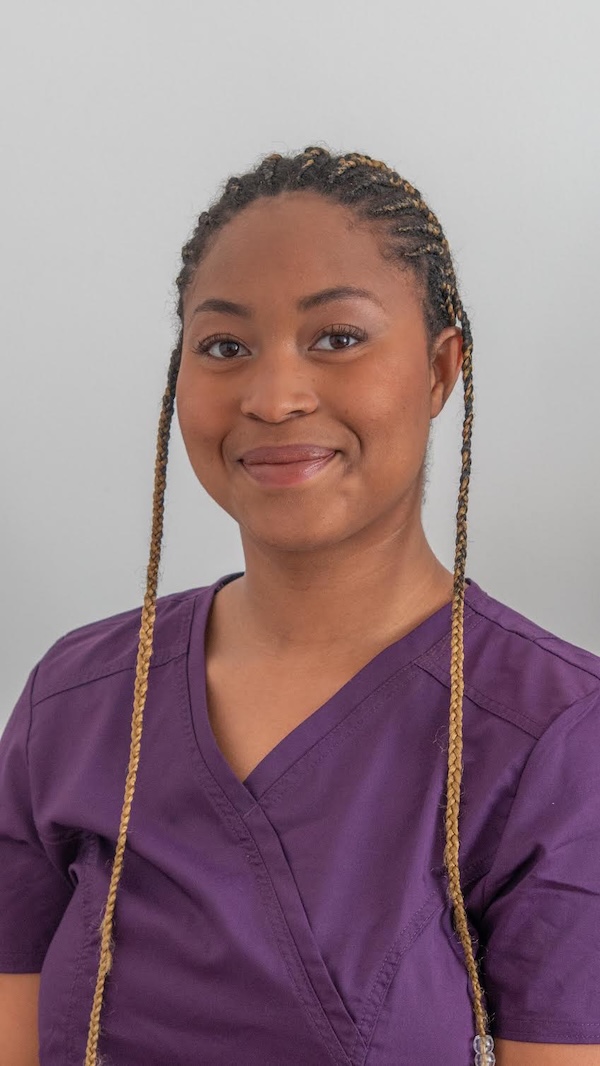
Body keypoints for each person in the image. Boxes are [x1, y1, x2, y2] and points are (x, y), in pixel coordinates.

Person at [0, 146, 599, 1066]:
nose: (275, 397)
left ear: (441, 370)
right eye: (224, 347)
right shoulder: (77, 700)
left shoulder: (556, 734)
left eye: (338, 337)